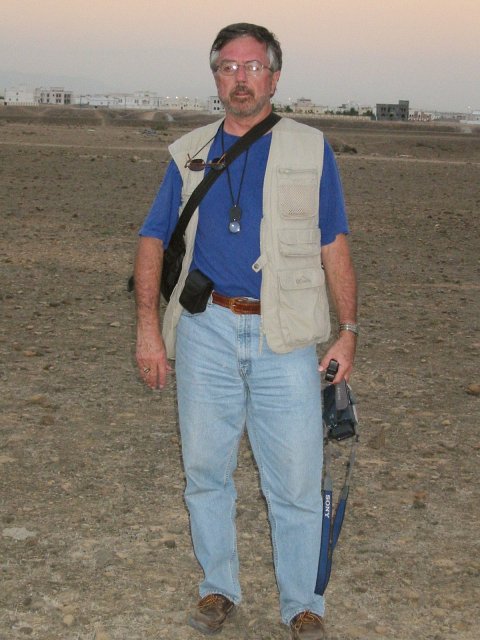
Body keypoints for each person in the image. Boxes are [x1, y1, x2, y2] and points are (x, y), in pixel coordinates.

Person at [134, 23, 358, 640]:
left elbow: (332, 239)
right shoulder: (188, 152)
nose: (241, 78)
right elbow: (153, 237)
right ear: (215, 78)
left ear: (275, 77)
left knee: (294, 480)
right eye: (229, 67)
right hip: (205, 332)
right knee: (205, 472)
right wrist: (148, 331)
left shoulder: (311, 149)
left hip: (284, 339)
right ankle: (217, 589)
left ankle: (303, 603)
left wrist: (349, 330)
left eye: (253, 67)